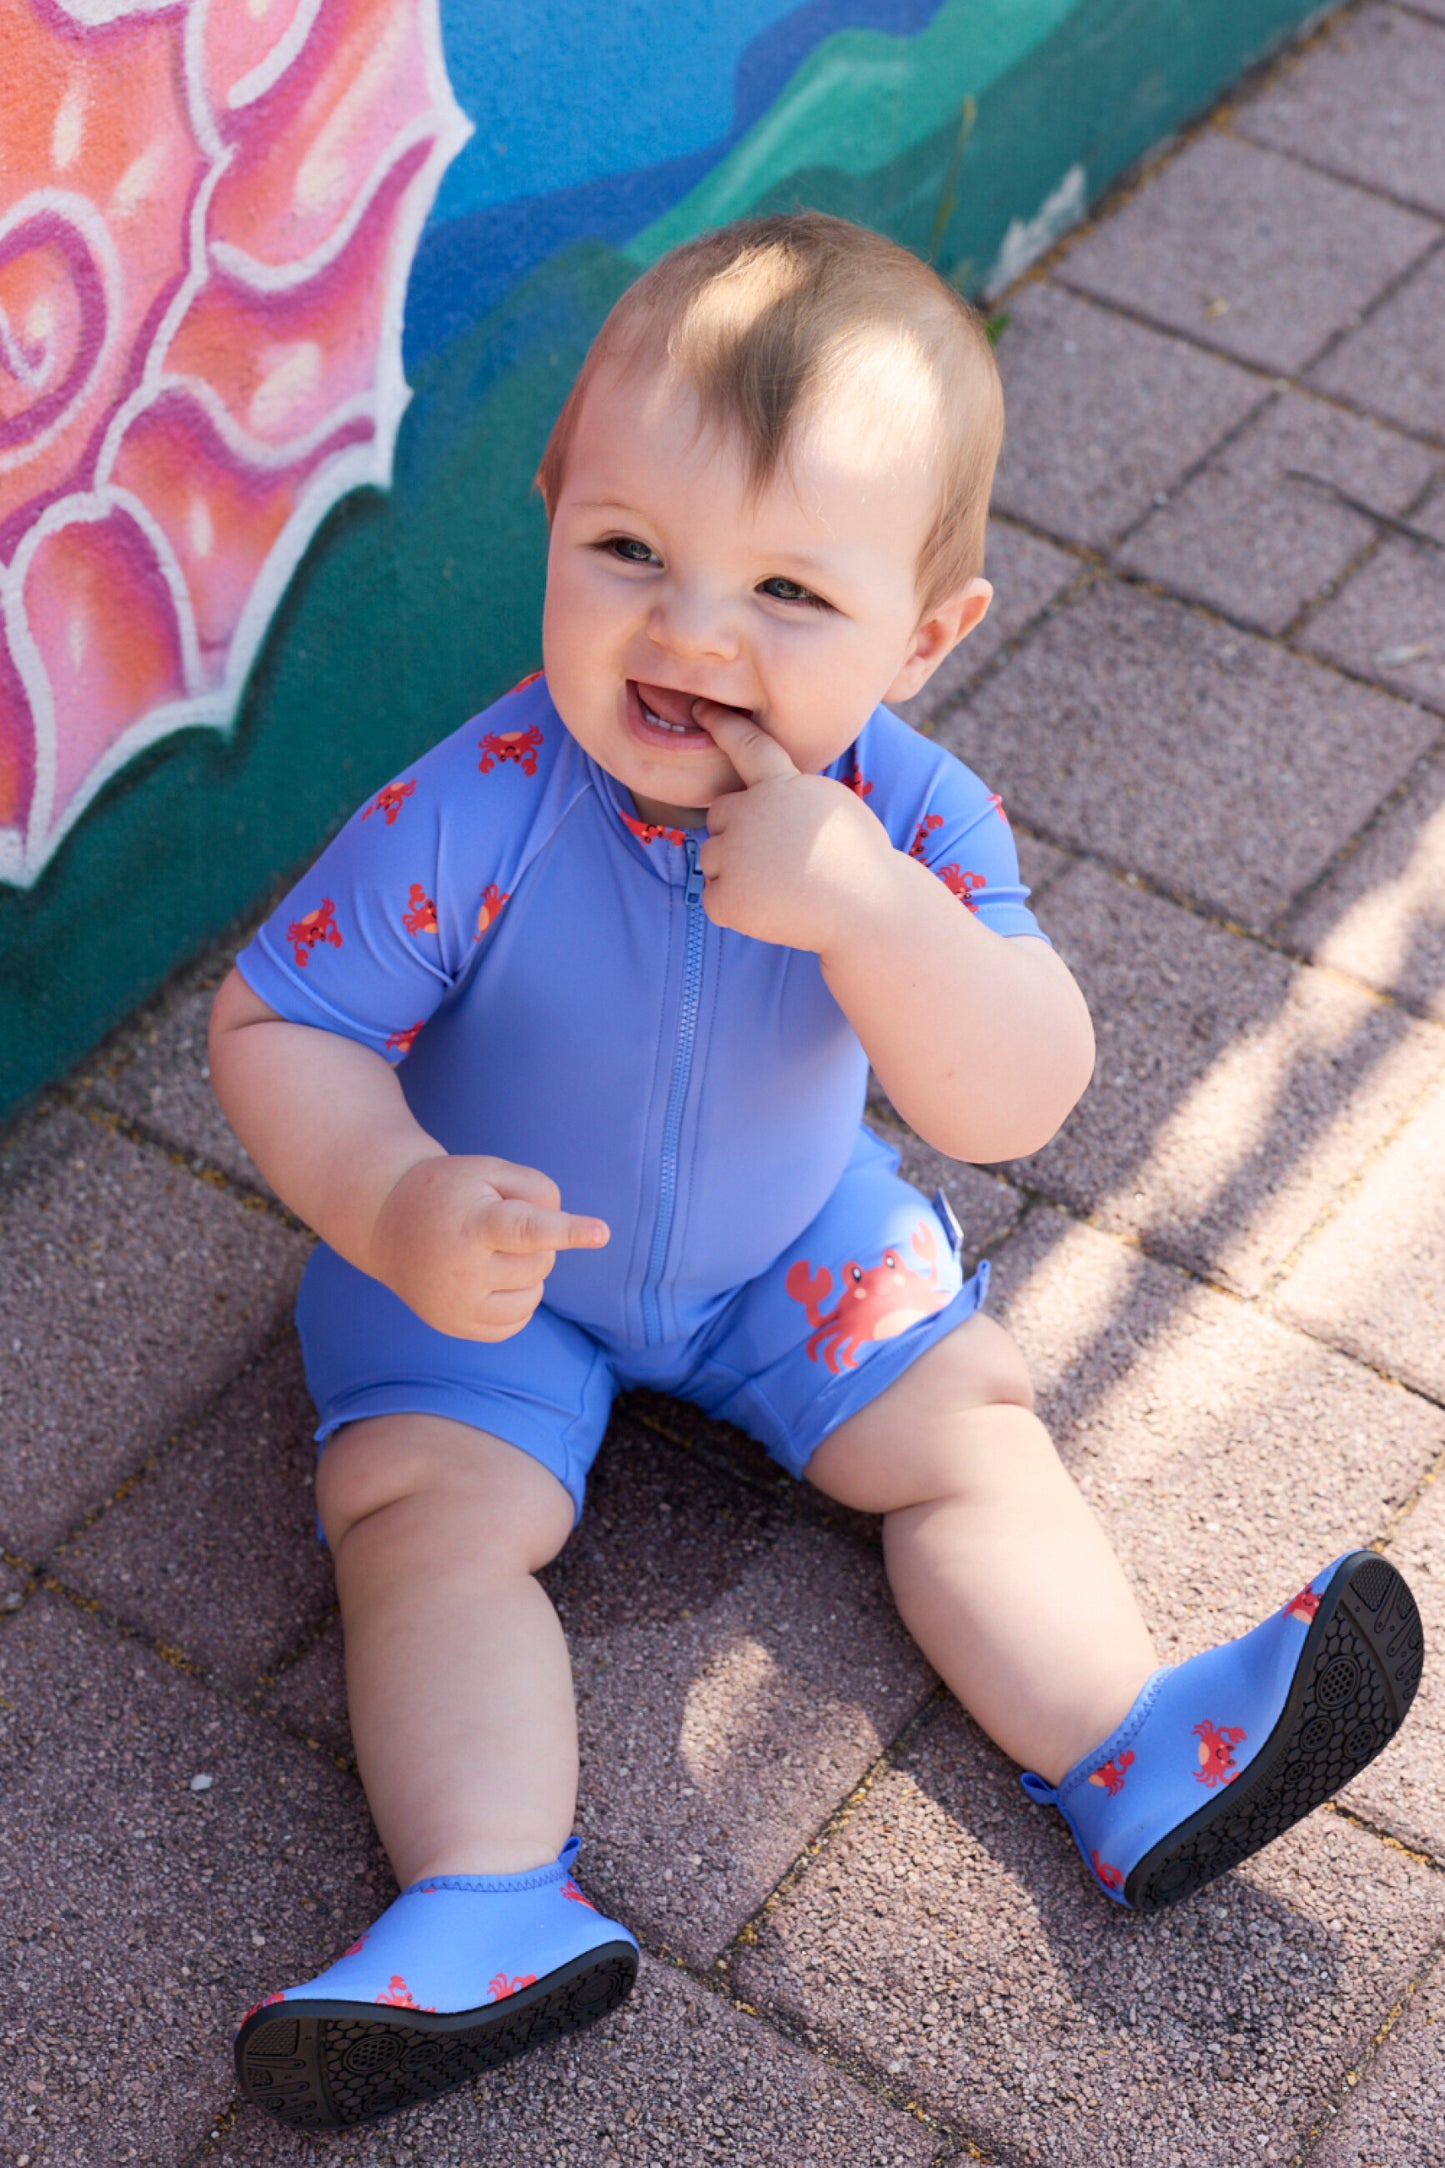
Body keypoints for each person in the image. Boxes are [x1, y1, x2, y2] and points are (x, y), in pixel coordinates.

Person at [210, 213, 1422, 2132]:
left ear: (922, 637)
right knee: (425, 1524)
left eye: (788, 591)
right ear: (550, 510)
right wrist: (389, 1204)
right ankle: (484, 1899)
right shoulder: (480, 803)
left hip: (793, 1241)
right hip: (482, 1259)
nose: (690, 634)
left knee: (969, 1420)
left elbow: (1018, 1090)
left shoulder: (913, 818)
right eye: (628, 551)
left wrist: (870, 912)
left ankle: (1124, 1742)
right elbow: (281, 1025)